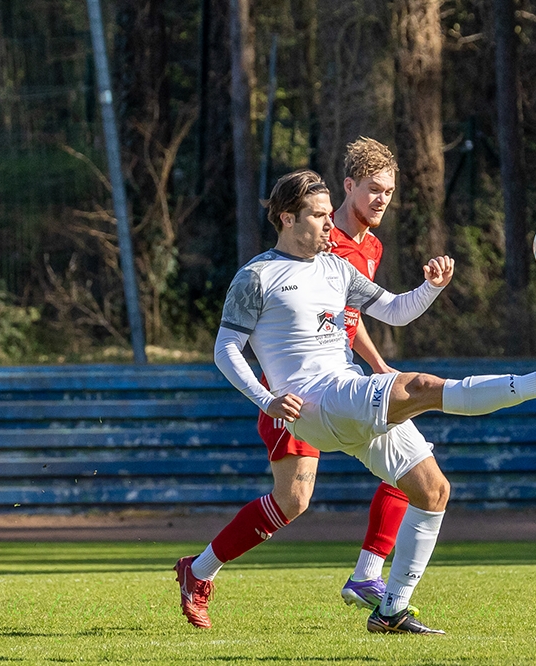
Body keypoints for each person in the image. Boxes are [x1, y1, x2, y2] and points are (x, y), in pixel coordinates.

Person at [189, 168, 536, 634]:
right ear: (285, 218)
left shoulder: (337, 268)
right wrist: (267, 398)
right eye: (317, 216)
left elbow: (395, 311)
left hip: (346, 391)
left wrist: (431, 288)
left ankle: (391, 609)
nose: (326, 225)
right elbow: (225, 350)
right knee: (417, 389)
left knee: (432, 490)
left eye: (325, 215)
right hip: (313, 405)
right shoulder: (256, 276)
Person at [173, 139, 417, 630]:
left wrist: (376, 362)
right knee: (294, 500)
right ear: (347, 189)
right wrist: (271, 395)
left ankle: (367, 575)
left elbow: (356, 314)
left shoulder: (368, 248)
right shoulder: (319, 250)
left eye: (389, 191)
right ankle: (198, 571)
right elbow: (231, 345)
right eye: (372, 189)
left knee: (412, 469)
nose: (381, 200)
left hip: (344, 379)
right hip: (302, 389)